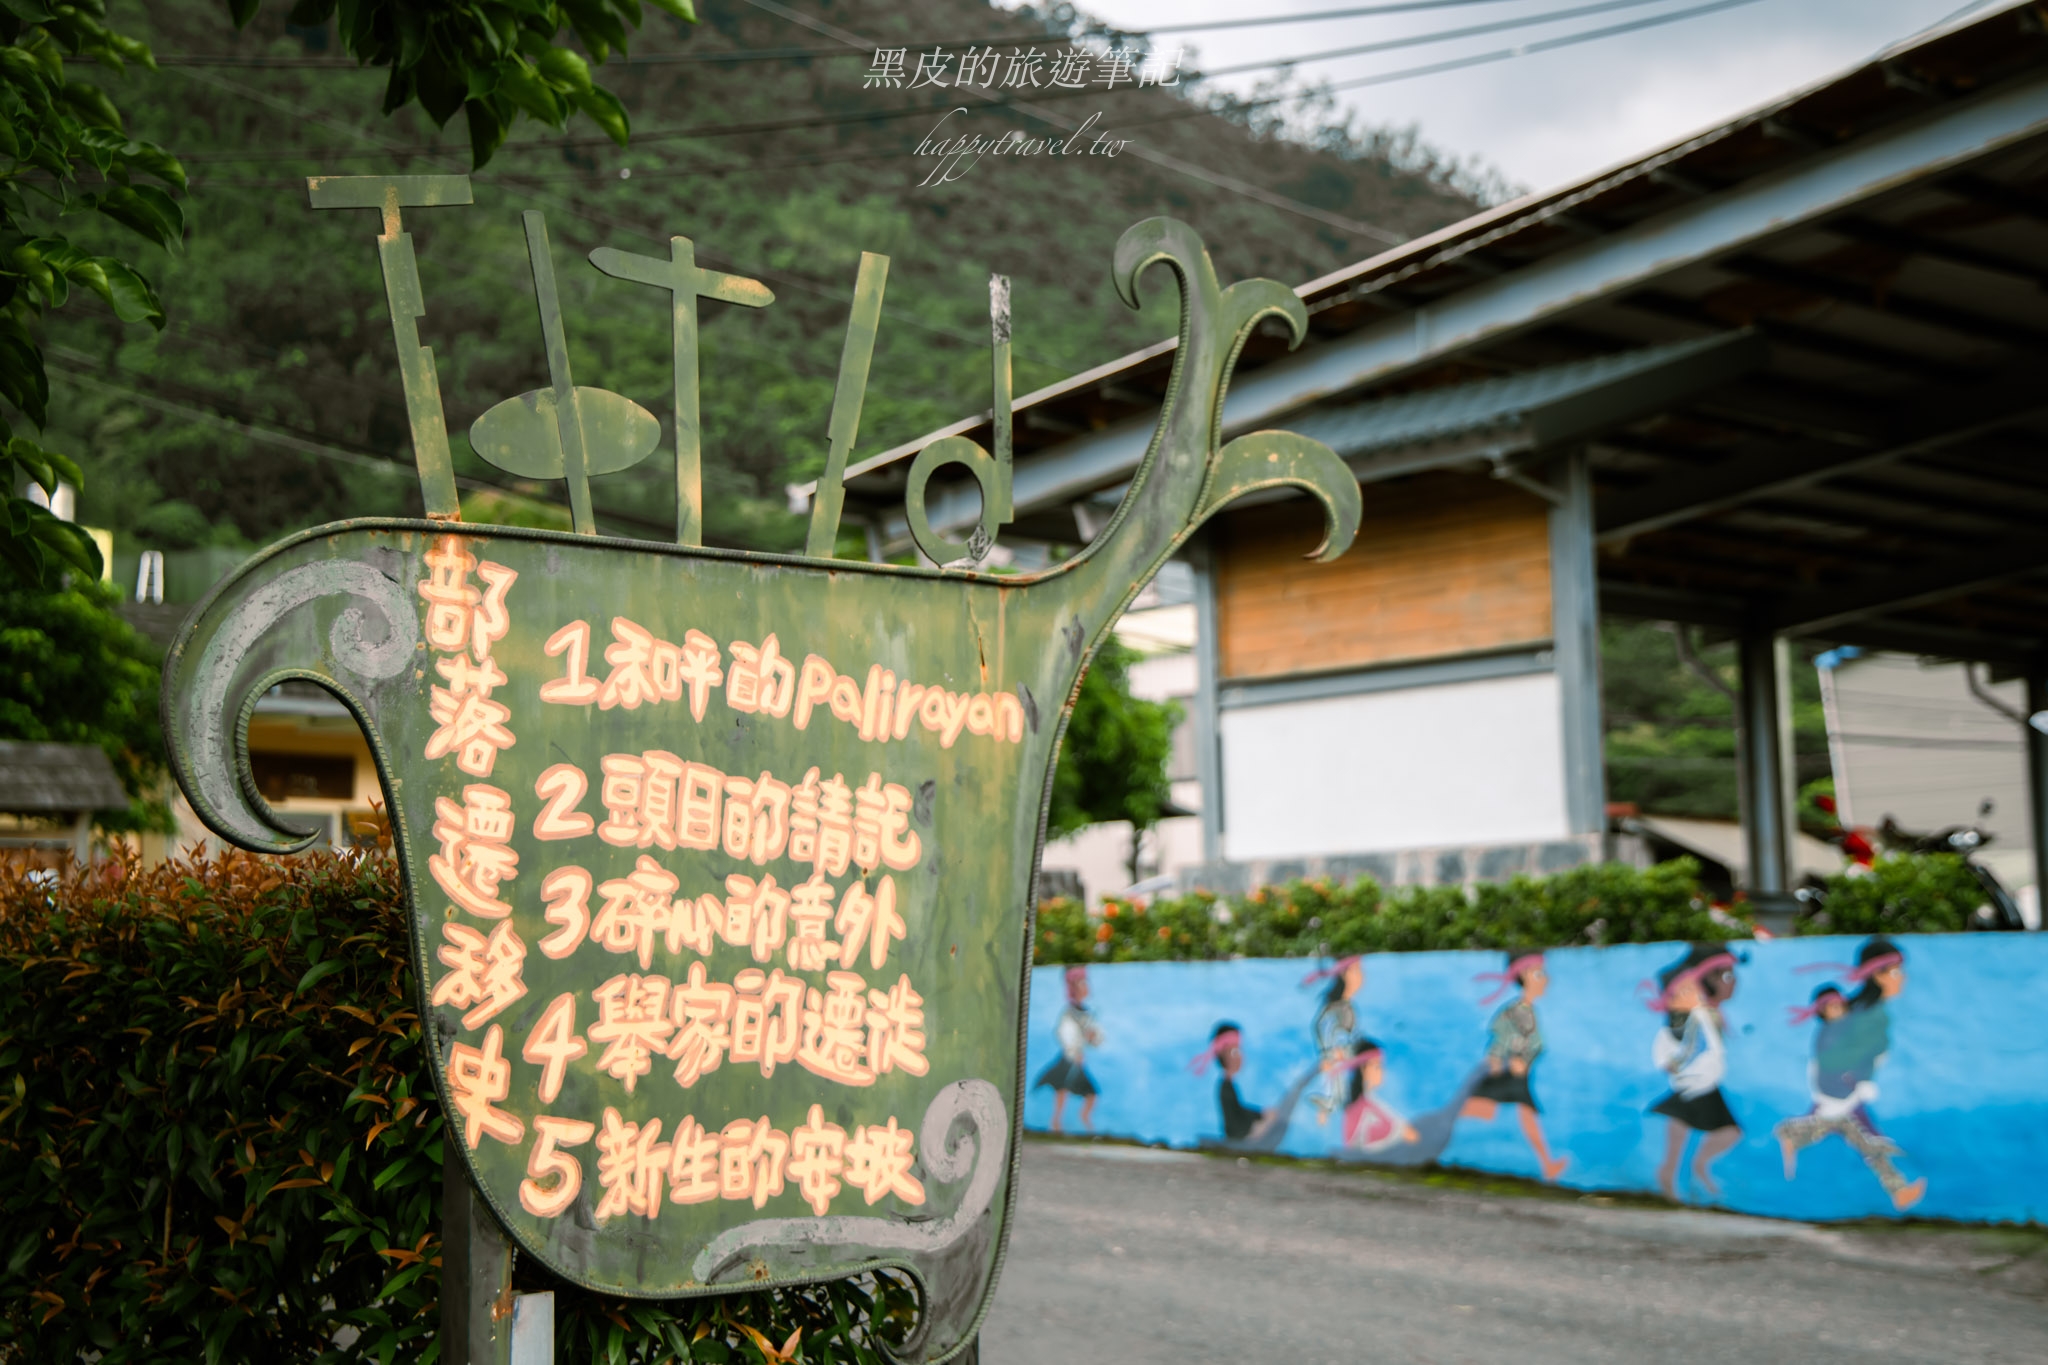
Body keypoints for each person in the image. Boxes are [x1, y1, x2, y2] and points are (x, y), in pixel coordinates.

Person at [1774, 939, 1926, 1211]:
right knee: (1868, 1139)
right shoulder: (1867, 1015)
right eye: (1894, 972)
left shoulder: (1865, 1011)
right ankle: (1900, 1191)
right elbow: (1834, 1054)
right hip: (1843, 1089)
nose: (1902, 978)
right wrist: (1858, 1078)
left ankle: (1793, 1134)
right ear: (1877, 975)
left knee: (1844, 1129)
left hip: (1841, 1089)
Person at [1457, 952, 1569, 1181]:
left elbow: (1534, 1045)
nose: (1545, 979)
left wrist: (1524, 1061)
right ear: (1525, 976)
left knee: (1522, 1116)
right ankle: (1442, 1140)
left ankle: (1548, 1165)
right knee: (1478, 1110)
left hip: (1518, 1077)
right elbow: (1500, 1038)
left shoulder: (1530, 1012)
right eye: (1539, 973)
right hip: (1507, 1075)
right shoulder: (1513, 1012)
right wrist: (1501, 1060)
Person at [1646, 943, 1742, 1201]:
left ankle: (1683, 1168)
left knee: (1690, 1124)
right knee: (1695, 1125)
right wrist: (1673, 1063)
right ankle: (1679, 1170)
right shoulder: (1682, 1021)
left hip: (1706, 1082)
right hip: (1695, 1083)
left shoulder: (1704, 1015)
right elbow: (1673, 1045)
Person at [1034, 965, 1102, 1132]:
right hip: (1069, 1058)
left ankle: (1082, 1119)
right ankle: (1056, 1123)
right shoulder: (1069, 1013)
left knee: (1088, 1093)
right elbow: (1065, 1033)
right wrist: (1074, 1048)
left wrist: (1092, 1038)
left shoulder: (1086, 1013)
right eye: (1082, 983)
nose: (1086, 987)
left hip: (1078, 1059)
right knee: (1062, 1088)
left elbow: (1096, 1037)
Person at [1302, 956, 1365, 1125]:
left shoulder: (1348, 1008)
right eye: (1357, 970)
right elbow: (1322, 1027)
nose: (1361, 976)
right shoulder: (1337, 1009)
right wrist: (1331, 1053)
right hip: (1336, 1071)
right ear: (1344, 974)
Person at [1334, 1037, 1418, 1154]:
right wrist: (1402, 1131)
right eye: (1377, 1066)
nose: (1382, 1072)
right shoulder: (1363, 1103)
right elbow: (1397, 1127)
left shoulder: (1367, 1100)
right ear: (1363, 1069)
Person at [1189, 1021, 1264, 1142]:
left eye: (1240, 1051)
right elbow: (1235, 1113)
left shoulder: (1229, 1085)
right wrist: (1260, 1115)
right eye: (1235, 1052)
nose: (1240, 1057)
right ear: (1222, 1055)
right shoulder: (1225, 1087)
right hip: (1238, 1132)